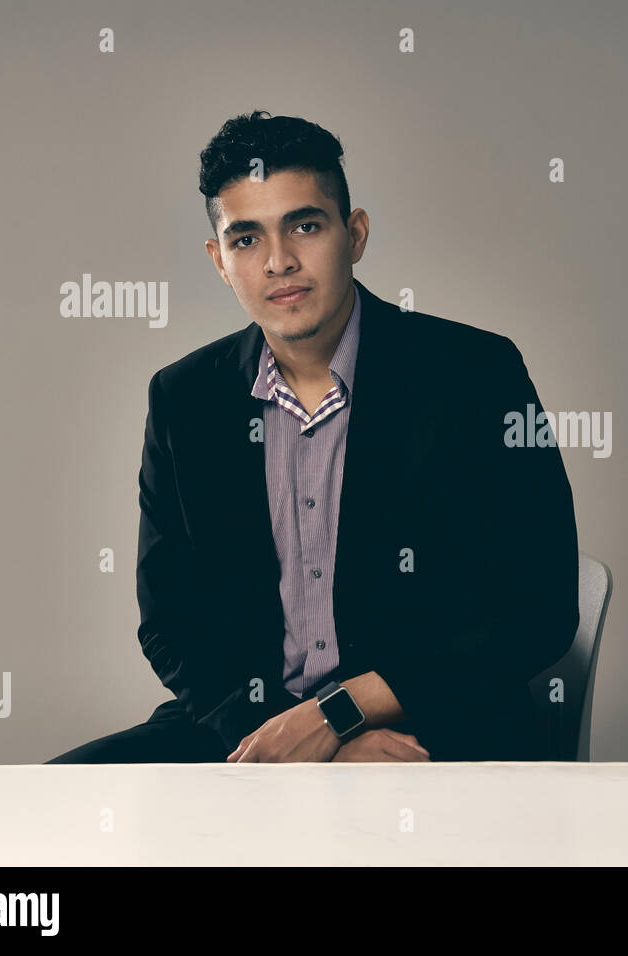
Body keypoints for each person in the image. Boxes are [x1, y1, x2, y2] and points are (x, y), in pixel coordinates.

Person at [47, 111, 579, 764]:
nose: (279, 262)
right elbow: (172, 624)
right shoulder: (185, 399)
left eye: (305, 225)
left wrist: (341, 715)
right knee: (53, 806)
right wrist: (295, 742)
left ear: (353, 234)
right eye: (247, 239)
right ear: (219, 260)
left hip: (436, 727)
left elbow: (539, 606)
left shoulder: (473, 374)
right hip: (250, 729)